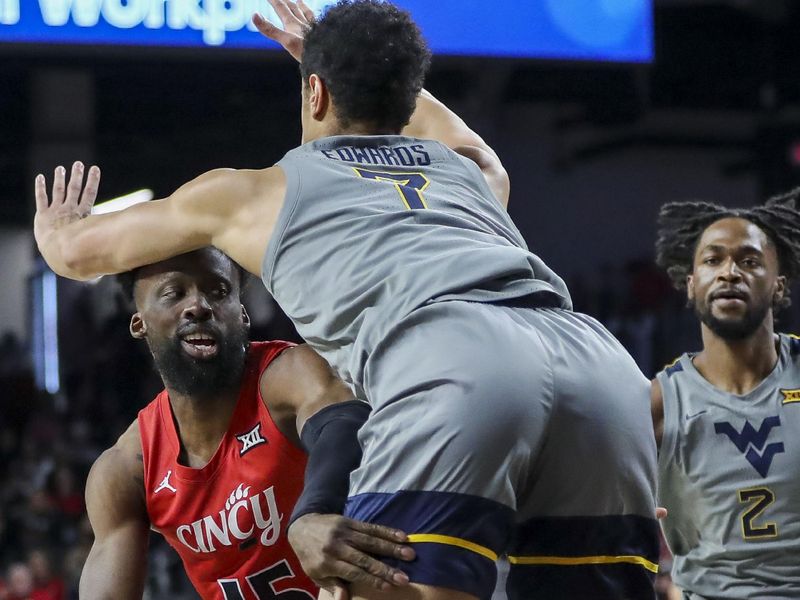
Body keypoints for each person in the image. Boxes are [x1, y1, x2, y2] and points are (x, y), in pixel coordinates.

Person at [33, 1, 659, 598]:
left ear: (315, 94)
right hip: (598, 368)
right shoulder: (463, 175)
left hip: (457, 362)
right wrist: (345, 66)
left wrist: (55, 232)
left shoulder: (255, 193)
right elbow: (481, 150)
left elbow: (80, 256)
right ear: (406, 101)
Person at [78, 247, 414, 599]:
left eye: (218, 291)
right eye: (174, 293)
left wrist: (314, 512)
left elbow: (344, 422)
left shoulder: (287, 374)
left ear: (241, 314)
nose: (199, 306)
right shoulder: (125, 468)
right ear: (139, 323)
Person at [653, 193, 800, 599]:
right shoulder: (659, 402)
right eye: (712, 260)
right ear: (691, 284)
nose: (729, 273)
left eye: (749, 261)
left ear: (778, 286)